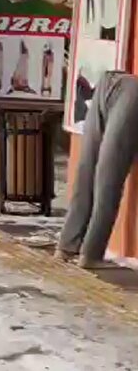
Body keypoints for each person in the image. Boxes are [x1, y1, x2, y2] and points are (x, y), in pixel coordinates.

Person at [56, 71, 138, 268]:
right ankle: (90, 254)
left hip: (110, 81)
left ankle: (67, 246)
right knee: (107, 178)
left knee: (88, 170)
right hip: (130, 93)